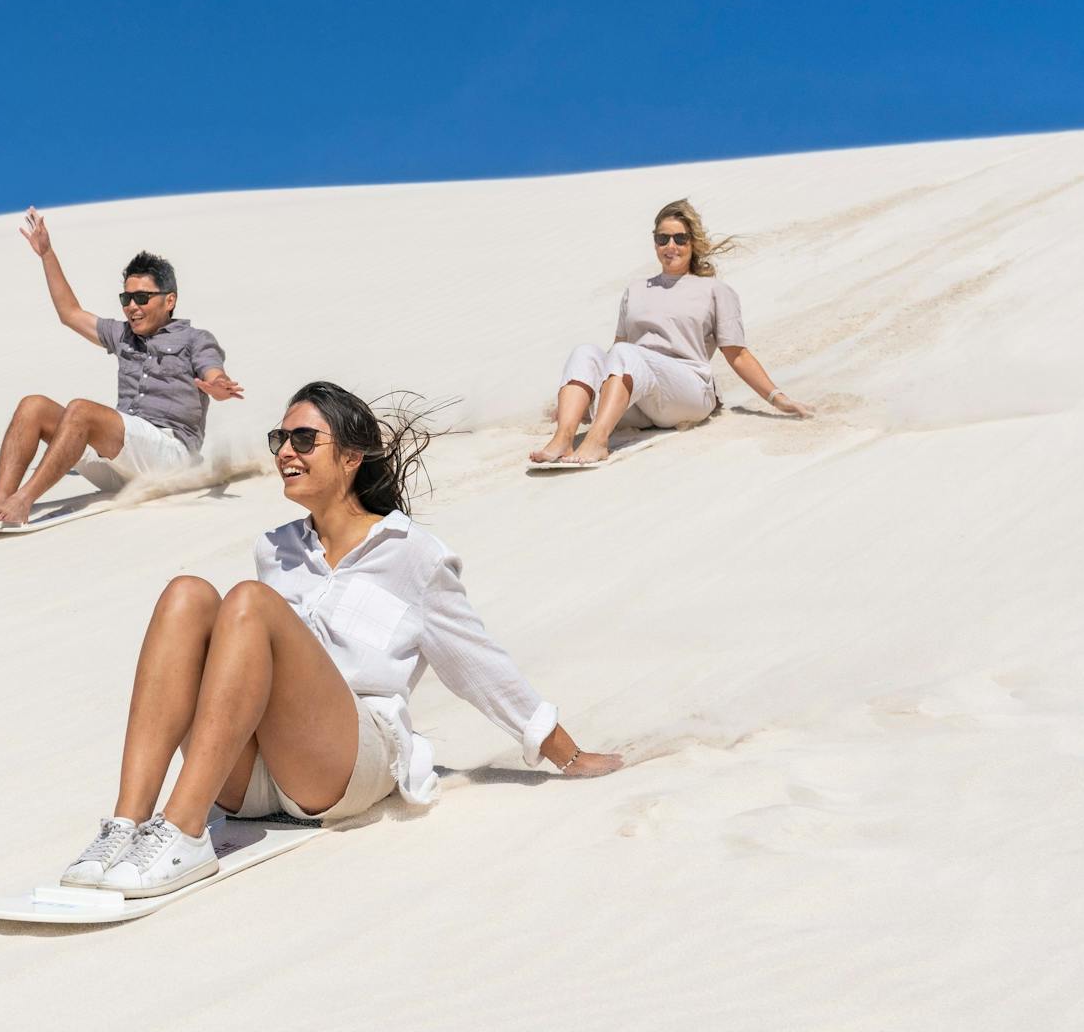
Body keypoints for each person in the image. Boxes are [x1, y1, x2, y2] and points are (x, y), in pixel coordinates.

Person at [60, 381, 625, 898]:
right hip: (254, 777)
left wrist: (564, 753)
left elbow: (477, 665)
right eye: (280, 437)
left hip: (347, 765)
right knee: (186, 594)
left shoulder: (411, 553)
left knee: (252, 604)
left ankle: (183, 831)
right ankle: (125, 826)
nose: (285, 450)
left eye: (304, 438)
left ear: (352, 457)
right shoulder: (274, 547)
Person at [0, 209, 244, 528]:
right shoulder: (122, 334)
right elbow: (70, 313)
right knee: (33, 406)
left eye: (142, 297)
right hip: (121, 463)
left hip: (170, 458)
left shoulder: (194, 339)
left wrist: (217, 385)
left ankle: (22, 501)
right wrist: (47, 253)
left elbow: (212, 372)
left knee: (81, 410)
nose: (132, 306)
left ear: (169, 300)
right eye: (126, 297)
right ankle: (0, 499)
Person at [530, 199, 815, 464]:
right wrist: (582, 398)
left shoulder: (715, 290)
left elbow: (737, 354)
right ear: (654, 242)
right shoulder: (636, 290)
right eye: (662, 238)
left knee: (627, 354)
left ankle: (597, 441)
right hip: (640, 397)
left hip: (688, 391)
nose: (671, 246)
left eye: (680, 238)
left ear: (693, 243)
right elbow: (615, 352)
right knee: (586, 353)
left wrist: (777, 398)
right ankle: (563, 439)